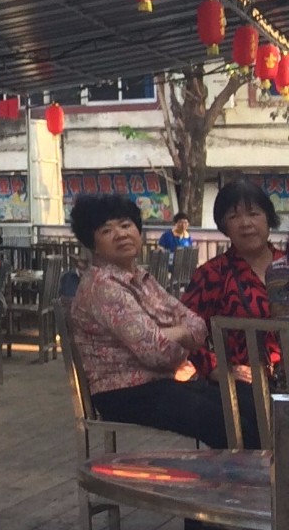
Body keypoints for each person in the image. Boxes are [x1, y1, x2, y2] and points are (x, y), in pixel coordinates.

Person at [67, 192, 222, 447]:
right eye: (106, 230)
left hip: (162, 383)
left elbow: (198, 325)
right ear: (92, 243)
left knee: (241, 406)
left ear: (138, 232)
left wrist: (170, 334)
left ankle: (257, 469)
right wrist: (181, 335)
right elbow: (157, 353)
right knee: (223, 420)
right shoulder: (102, 286)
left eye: (126, 225)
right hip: (124, 393)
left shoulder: (142, 278)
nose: (120, 234)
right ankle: (246, 470)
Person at [182, 180, 282, 446]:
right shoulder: (213, 274)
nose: (246, 223)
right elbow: (185, 330)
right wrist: (215, 368)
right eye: (234, 216)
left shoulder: (284, 265)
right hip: (248, 385)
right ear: (224, 225)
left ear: (268, 218)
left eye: (253, 213)